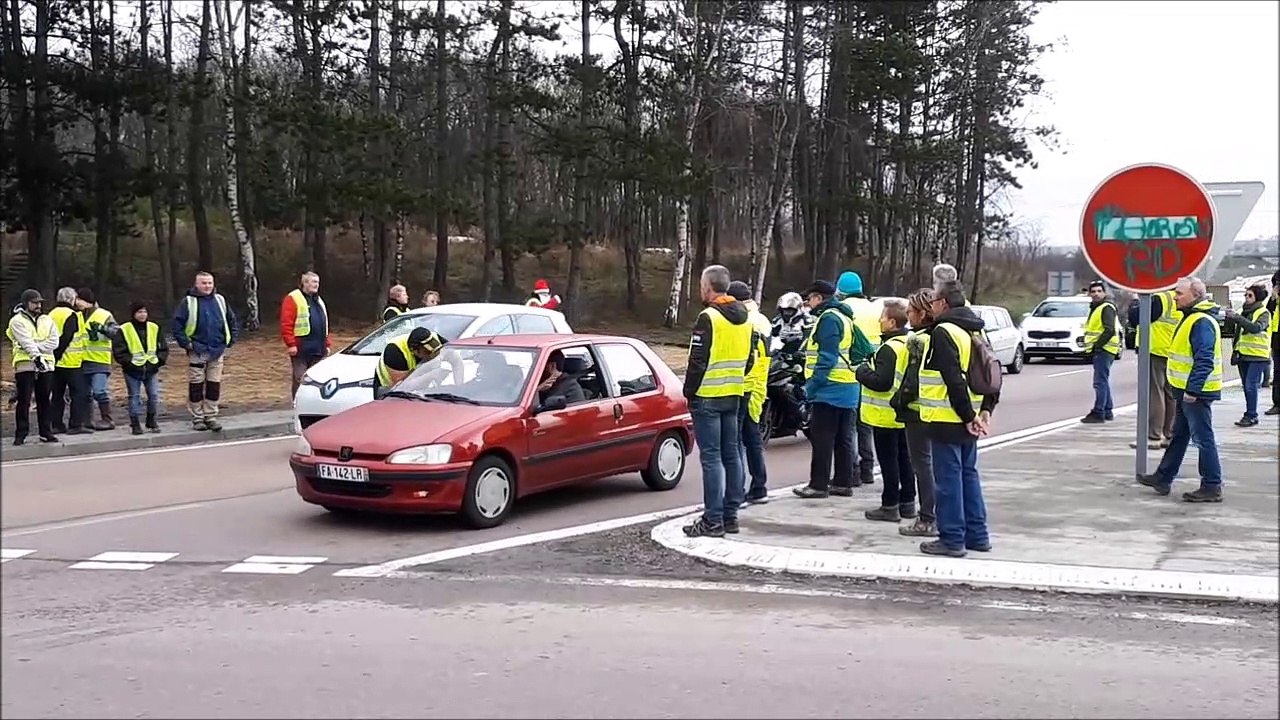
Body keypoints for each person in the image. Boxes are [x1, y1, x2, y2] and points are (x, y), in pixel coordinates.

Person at [917, 281, 998, 557]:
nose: (931, 306)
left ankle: (951, 538)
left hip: (947, 416)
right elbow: (991, 371)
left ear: (943, 303)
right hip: (971, 414)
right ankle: (978, 535)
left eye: (933, 301)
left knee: (948, 481)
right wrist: (985, 410)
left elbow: (953, 378)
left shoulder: (944, 331)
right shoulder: (976, 329)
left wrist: (966, 415)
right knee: (968, 475)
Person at [682, 265, 754, 538]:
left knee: (711, 458)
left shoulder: (708, 317)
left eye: (702, 285)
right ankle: (730, 515)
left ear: (708, 287)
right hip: (734, 393)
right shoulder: (745, 317)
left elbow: (697, 361)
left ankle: (712, 519)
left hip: (707, 396)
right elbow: (750, 358)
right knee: (731, 454)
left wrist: (689, 392)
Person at [1137, 276, 1224, 503]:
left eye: (1179, 293)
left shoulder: (1200, 321)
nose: (1175, 297)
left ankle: (1211, 485)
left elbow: (1204, 360)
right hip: (1185, 391)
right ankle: (1163, 477)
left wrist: (1193, 390)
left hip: (1196, 393)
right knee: (1180, 436)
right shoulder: (1191, 317)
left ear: (1195, 295)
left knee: (1203, 438)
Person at [793, 279, 869, 499]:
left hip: (830, 388)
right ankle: (843, 482)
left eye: (810, 298)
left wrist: (810, 388)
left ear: (819, 298)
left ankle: (818, 485)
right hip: (848, 386)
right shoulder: (844, 316)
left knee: (823, 439)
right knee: (844, 438)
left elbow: (827, 357)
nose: (808, 303)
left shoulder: (828, 319)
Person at [856, 298, 916, 523]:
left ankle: (889, 505)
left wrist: (862, 372)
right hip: (903, 412)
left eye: (882, 317)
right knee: (905, 459)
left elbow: (882, 382)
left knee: (889, 462)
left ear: (892, 322)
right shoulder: (908, 343)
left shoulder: (889, 349)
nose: (879, 321)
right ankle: (907, 502)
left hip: (885, 415)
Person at [893, 289, 940, 537]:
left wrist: (898, 401)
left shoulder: (918, 341)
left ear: (922, 314)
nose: (908, 316)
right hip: (937, 411)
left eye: (911, 311)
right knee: (937, 465)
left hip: (917, 411)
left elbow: (911, 380)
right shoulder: (940, 335)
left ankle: (927, 518)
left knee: (923, 466)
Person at [172, 271, 238, 432]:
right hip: (197, 350)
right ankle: (198, 417)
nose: (207, 286)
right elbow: (177, 325)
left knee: (214, 384)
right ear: (196, 284)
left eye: (209, 283)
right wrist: (187, 344)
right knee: (196, 384)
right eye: (204, 283)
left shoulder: (220, 300)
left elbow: (231, 320)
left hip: (217, 349)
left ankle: (211, 416)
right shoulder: (188, 302)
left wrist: (231, 339)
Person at [729, 280, 771, 505]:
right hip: (758, 385)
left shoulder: (743, 320)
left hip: (743, 385)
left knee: (735, 440)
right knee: (752, 437)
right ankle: (759, 487)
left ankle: (737, 491)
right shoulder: (762, 319)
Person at [836, 270, 879, 486]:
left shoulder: (843, 310)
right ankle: (868, 468)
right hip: (873, 372)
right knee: (865, 424)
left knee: (849, 427)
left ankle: (852, 470)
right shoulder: (874, 309)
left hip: (850, 372)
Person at [1127, 288, 1181, 448]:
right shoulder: (1179, 299)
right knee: (1170, 395)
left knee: (1154, 393)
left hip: (1154, 349)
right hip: (1172, 350)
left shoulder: (1160, 299)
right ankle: (1169, 434)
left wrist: (1135, 302)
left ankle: (1153, 435)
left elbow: (1136, 318)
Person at [7, 289, 59, 445]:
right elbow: (25, 342)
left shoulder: (47, 320)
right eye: (34, 303)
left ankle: (46, 432)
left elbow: (54, 342)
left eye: (39, 303)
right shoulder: (17, 321)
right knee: (24, 400)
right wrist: (37, 356)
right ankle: (21, 434)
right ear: (25, 303)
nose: (38, 306)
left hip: (46, 364)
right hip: (26, 363)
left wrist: (37, 347)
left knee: (45, 400)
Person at [112, 301, 169, 435]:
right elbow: (119, 350)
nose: (142, 315)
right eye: (139, 312)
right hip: (132, 370)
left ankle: (151, 420)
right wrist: (129, 363)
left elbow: (162, 347)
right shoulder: (125, 329)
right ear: (133, 314)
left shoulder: (154, 327)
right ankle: (135, 423)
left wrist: (158, 361)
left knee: (153, 395)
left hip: (151, 368)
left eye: (144, 311)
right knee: (134, 397)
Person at [47, 287, 92, 435]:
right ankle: (75, 425)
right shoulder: (72, 315)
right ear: (71, 299)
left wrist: (53, 357)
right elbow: (67, 337)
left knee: (57, 395)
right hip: (71, 362)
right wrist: (59, 355)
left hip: (54, 363)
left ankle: (56, 424)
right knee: (79, 394)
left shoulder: (51, 314)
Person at [1224, 284, 1271, 427]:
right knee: (1246, 386)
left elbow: (1255, 328)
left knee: (1251, 385)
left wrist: (1237, 318)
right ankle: (1250, 413)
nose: (1246, 298)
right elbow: (1234, 333)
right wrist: (1229, 319)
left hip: (1258, 355)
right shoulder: (1242, 312)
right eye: (1245, 295)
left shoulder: (1264, 313)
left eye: (1250, 295)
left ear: (1257, 297)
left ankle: (1251, 415)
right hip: (1243, 354)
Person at [280, 271, 331, 398]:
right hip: (301, 348)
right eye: (313, 282)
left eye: (317, 282)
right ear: (305, 283)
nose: (316, 285)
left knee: (317, 379)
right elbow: (286, 323)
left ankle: (313, 402)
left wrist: (327, 344)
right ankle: (297, 402)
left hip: (318, 347)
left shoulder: (318, 300)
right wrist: (291, 344)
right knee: (300, 379)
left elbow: (324, 323)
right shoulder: (293, 298)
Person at [77, 287, 119, 430]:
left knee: (99, 391)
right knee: (85, 394)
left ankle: (107, 419)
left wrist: (103, 329)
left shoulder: (104, 315)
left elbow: (116, 332)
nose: (76, 302)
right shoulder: (77, 315)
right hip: (81, 360)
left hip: (99, 360)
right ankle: (88, 421)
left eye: (79, 299)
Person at [1080, 280, 1121, 424]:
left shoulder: (1106, 307)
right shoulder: (1096, 307)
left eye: (1099, 291)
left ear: (1104, 293)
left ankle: (1099, 412)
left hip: (1105, 349)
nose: (1096, 294)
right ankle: (1107, 411)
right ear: (1089, 294)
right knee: (1103, 380)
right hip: (1104, 349)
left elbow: (1109, 329)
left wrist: (1097, 346)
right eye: (1093, 291)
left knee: (1099, 382)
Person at [373, 326, 446, 398]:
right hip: (388, 390)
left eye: (434, 351)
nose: (431, 355)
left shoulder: (434, 338)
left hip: (419, 390)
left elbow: (452, 355)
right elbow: (402, 387)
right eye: (426, 352)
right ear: (413, 350)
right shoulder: (395, 352)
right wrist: (431, 375)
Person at [771, 291, 814, 356]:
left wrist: (803, 354)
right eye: (784, 310)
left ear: (798, 309)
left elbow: (813, 345)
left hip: (803, 355)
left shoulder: (808, 321)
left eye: (789, 310)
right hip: (782, 355)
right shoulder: (777, 321)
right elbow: (772, 338)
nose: (786, 313)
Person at [1267, 271, 1280, 416]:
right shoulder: (1275, 299)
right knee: (1277, 374)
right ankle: (1277, 403)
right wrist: (1273, 298)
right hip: (1277, 341)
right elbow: (1268, 312)